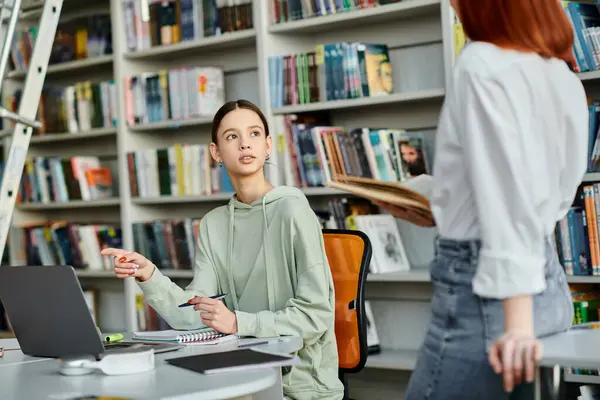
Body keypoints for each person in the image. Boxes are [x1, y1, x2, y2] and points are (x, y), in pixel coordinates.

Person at [378, 0, 587, 399]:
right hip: (547, 288)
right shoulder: (562, 77)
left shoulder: (481, 63)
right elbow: (543, 195)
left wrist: (516, 324)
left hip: (489, 296)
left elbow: (510, 197)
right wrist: (442, 202)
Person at [100, 99, 344, 400]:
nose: (245, 144)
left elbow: (315, 316)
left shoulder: (293, 211)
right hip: (235, 377)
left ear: (268, 145)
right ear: (216, 152)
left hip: (298, 389)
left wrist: (237, 322)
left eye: (254, 134)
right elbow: (197, 315)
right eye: (232, 136)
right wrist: (149, 275)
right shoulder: (213, 224)